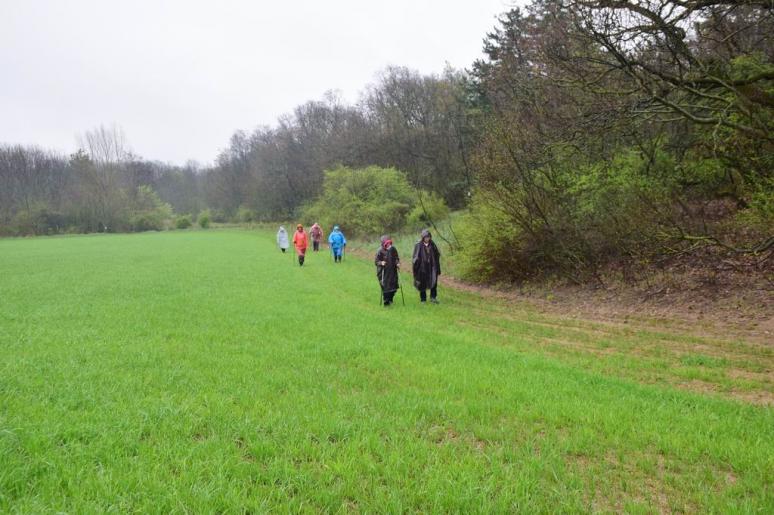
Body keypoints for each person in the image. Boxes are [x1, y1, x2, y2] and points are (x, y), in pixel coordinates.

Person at [412, 229, 441, 304]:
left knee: (434, 282)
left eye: (428, 237)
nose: (427, 239)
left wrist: (436, 267)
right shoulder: (418, 245)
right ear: (423, 237)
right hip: (422, 268)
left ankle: (433, 297)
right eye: (425, 237)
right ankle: (423, 299)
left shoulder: (432, 244)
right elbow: (415, 257)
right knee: (422, 283)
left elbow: (437, 255)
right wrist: (417, 266)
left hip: (432, 267)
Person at [375, 235, 400, 306]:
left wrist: (397, 263)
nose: (389, 245)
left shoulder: (393, 249)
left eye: (389, 243)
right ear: (383, 244)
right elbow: (376, 262)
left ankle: (390, 299)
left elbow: (396, 258)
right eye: (387, 243)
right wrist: (381, 262)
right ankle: (386, 302)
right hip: (383, 272)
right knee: (385, 287)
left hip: (392, 271)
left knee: (394, 288)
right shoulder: (380, 251)